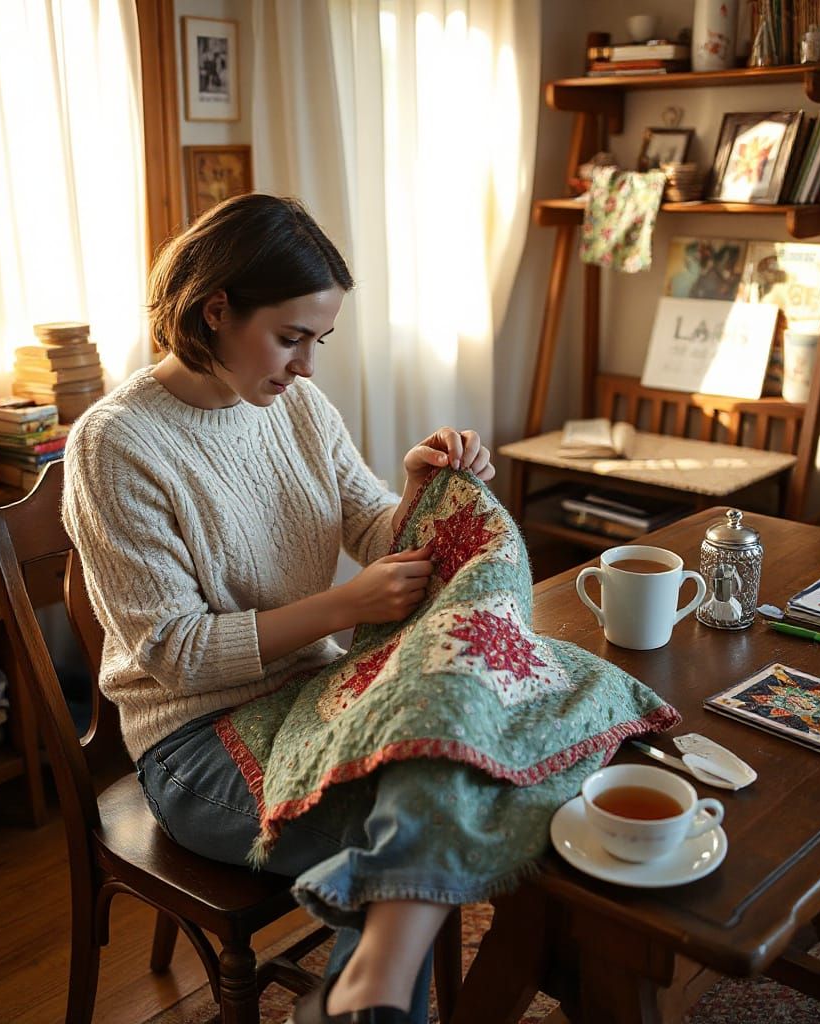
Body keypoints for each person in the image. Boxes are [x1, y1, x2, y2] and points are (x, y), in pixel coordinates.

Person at [62, 193, 496, 1024]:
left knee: (470, 770)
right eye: (291, 337)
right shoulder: (115, 442)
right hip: (196, 746)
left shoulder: (293, 404)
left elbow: (373, 531)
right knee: (418, 837)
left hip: (309, 698)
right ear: (215, 310)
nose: (305, 366)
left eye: (317, 342)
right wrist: (341, 608)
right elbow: (178, 651)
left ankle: (352, 997)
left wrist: (417, 484)